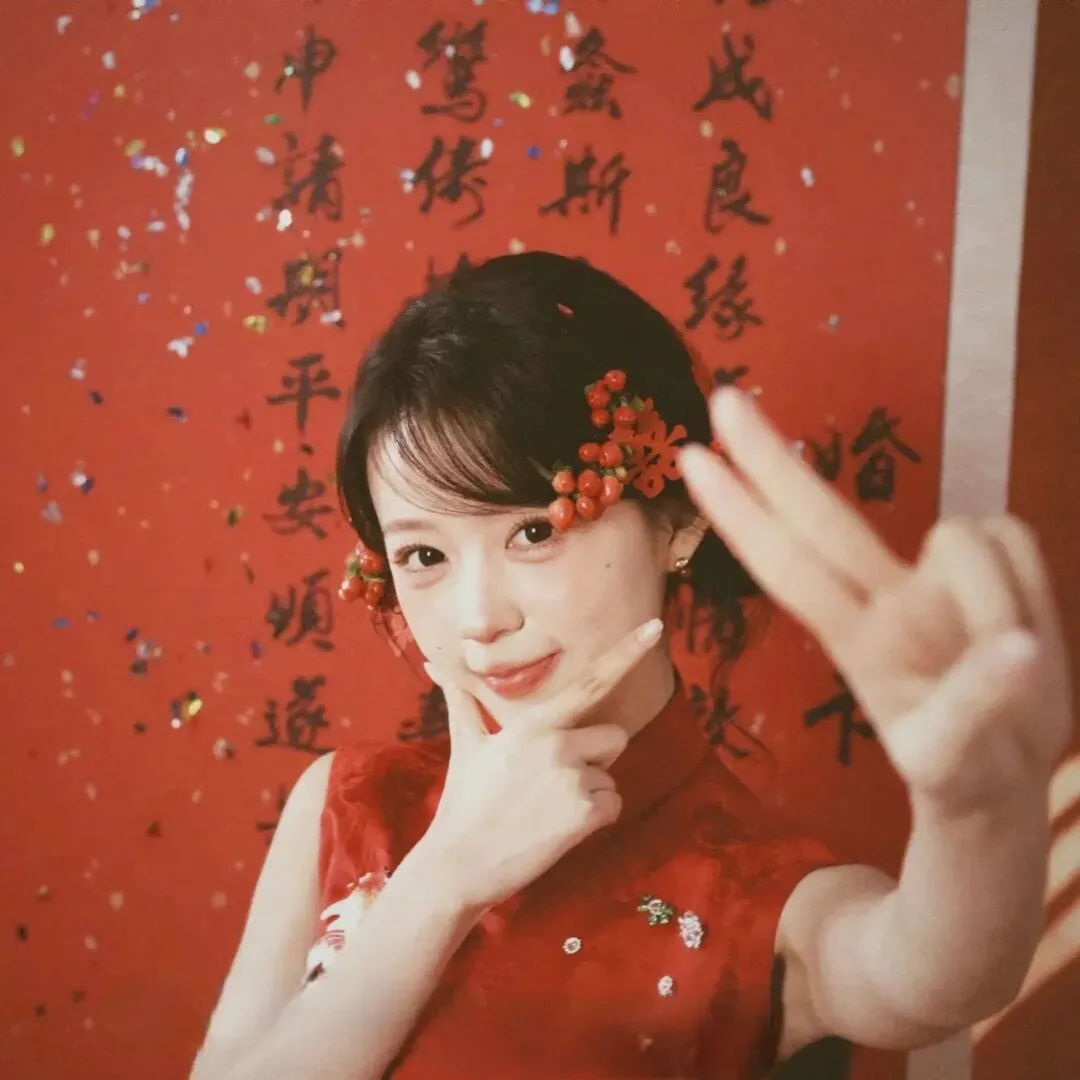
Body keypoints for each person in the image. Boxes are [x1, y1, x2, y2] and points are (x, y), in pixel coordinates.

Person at [190, 252, 1071, 1080]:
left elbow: (926, 979)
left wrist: (976, 814)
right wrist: (441, 879)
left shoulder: (758, 893)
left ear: (677, 522)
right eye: (424, 555)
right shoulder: (348, 804)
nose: (479, 618)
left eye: (535, 530)